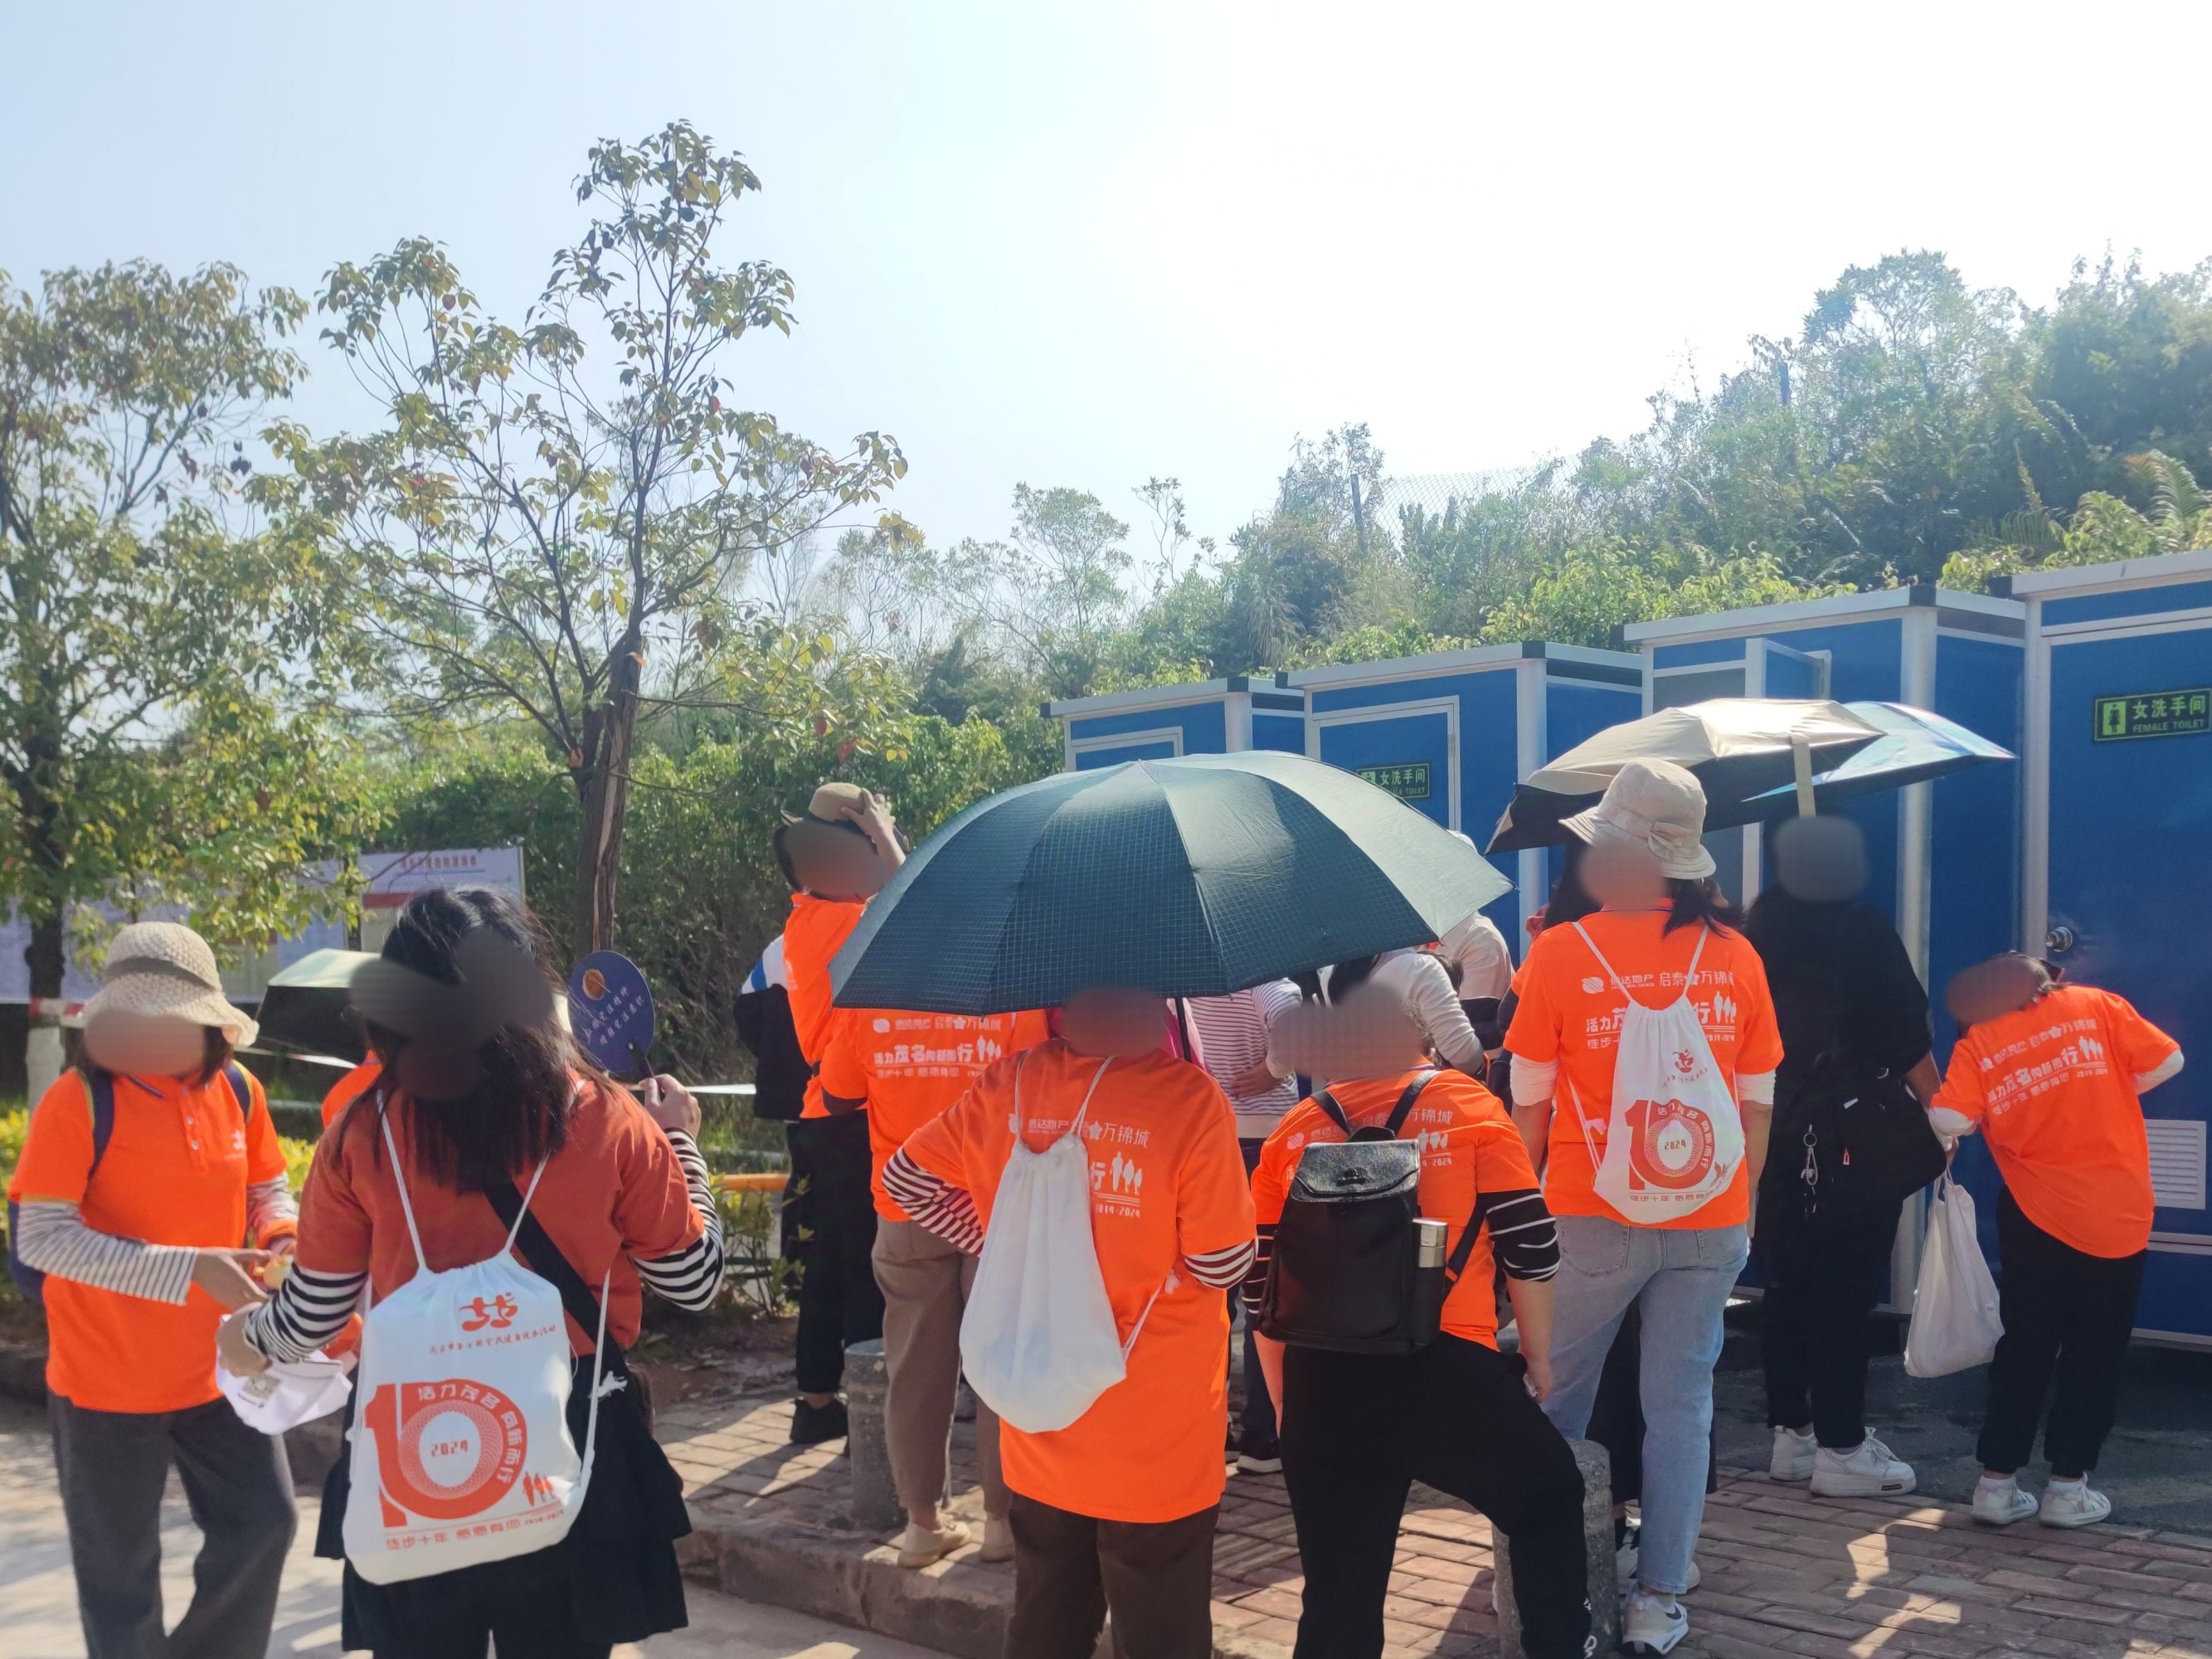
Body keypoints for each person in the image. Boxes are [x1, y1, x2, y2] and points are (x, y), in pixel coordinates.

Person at [223, 886, 724, 1659]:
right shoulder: (606, 1117)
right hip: (574, 1427)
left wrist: (246, 1336)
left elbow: (311, 1316)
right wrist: (681, 1143)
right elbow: (694, 1282)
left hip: (416, 1434)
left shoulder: (364, 1131)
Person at [883, 987, 1257, 1659]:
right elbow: (1220, 1261)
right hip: (1154, 1414)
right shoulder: (1188, 1099)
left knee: (1046, 1611)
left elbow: (905, 1180)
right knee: (1160, 1620)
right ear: (1153, 1001)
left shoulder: (1009, 1081)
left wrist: (1003, 1248)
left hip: (1039, 1403)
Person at [1505, 760, 1781, 1657]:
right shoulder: (1736, 956)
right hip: (1711, 1213)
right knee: (1681, 1405)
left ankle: (1552, 1582)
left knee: (1555, 1397)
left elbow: (1529, 1108)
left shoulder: (1559, 952)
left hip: (1588, 1210)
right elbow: (1757, 1102)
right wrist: (1741, 1209)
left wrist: (1516, 1223)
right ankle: (1660, 1594)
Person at [1244, 1024, 1591, 1659]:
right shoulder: (1469, 1107)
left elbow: (1260, 1287)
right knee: (1545, 1499)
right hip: (1443, 1365)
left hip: (1320, 1379)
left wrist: (1283, 1399)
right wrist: (1538, 1357)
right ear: (1426, 1048)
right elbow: (1531, 1248)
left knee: (1337, 1599)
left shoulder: (1293, 1130)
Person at [6, 922, 298, 1659]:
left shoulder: (239, 1089)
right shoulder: (77, 1101)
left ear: (209, 1025)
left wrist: (281, 1237)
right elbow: (43, 1239)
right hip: (104, 1380)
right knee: (120, 1579)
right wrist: (189, 1268)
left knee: (264, 1525)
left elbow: (266, 1185)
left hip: (221, 1369)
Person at [1933, 954, 2182, 1530]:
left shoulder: (1980, 1038)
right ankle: (2068, 1489)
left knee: (2025, 1344)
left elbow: (1947, 1119)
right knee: (2096, 1351)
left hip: (2033, 1211)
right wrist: (2112, 1088)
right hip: (2113, 1210)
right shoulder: (2096, 1005)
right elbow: (2168, 1060)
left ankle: (1995, 1485)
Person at [1743, 815, 1937, 1498]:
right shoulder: (1862, 930)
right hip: (1850, 1133)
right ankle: (1843, 1448)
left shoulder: (1751, 935)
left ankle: (1791, 1435)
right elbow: (1906, 1035)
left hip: (1769, 1126)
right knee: (1845, 1289)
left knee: (1786, 1281)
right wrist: (1940, 1114)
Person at [819, 1002, 1050, 1568]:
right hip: (993, 1205)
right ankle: (1001, 1522)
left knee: (914, 1370)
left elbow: (836, 1096)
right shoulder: (1014, 997)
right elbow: (1041, 1088)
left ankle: (921, 1526)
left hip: (906, 1202)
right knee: (999, 1365)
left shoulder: (868, 1001)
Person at [775, 782, 905, 1443]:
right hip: (852, 1109)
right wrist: (881, 831)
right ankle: (869, 1420)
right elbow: (915, 898)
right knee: (866, 1268)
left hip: (825, 1112)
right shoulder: (846, 920)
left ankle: (817, 1401)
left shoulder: (810, 917)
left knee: (832, 1260)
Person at [1174, 980, 1302, 1474]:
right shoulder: (1265, 982)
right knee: (1264, 1288)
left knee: (1215, 1289)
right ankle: (1262, 1435)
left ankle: (1214, 1429)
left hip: (1207, 1137)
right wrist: (1275, 1070)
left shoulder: (1186, 985)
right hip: (1266, 1141)